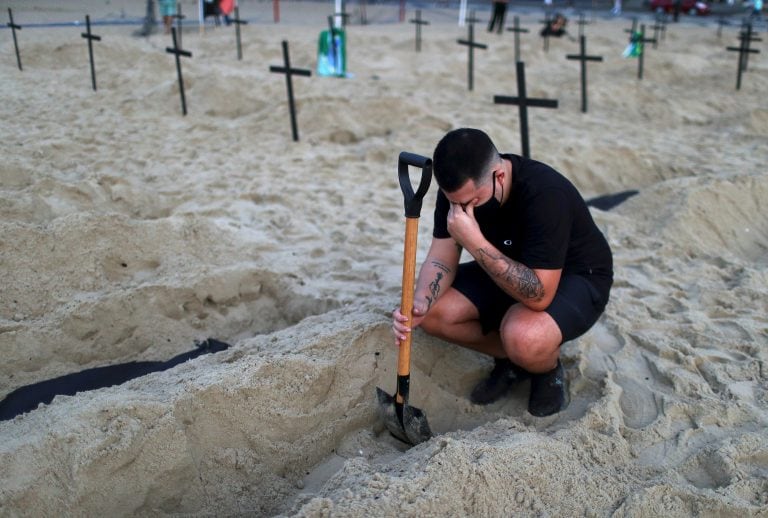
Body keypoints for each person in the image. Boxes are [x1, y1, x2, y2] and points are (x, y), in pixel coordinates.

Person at [392, 128, 613, 417]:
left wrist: (474, 241)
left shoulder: (545, 193)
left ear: (498, 176)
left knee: (523, 335)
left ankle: (546, 370)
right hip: (505, 266)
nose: (461, 210)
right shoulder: (458, 190)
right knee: (433, 314)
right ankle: (513, 361)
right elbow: (442, 257)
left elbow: (539, 297)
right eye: (453, 201)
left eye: (471, 202)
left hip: (576, 277)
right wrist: (420, 301)